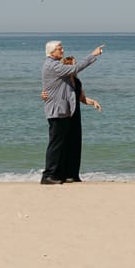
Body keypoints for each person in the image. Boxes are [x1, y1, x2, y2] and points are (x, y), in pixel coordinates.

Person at [39, 39, 103, 184]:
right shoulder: (52, 65)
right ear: (52, 51)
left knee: (68, 144)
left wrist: (92, 102)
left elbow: (66, 90)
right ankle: (48, 175)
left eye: (62, 48)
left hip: (68, 112)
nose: (63, 50)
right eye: (60, 48)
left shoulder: (60, 69)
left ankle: (67, 174)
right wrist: (93, 55)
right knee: (56, 145)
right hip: (57, 112)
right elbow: (75, 68)